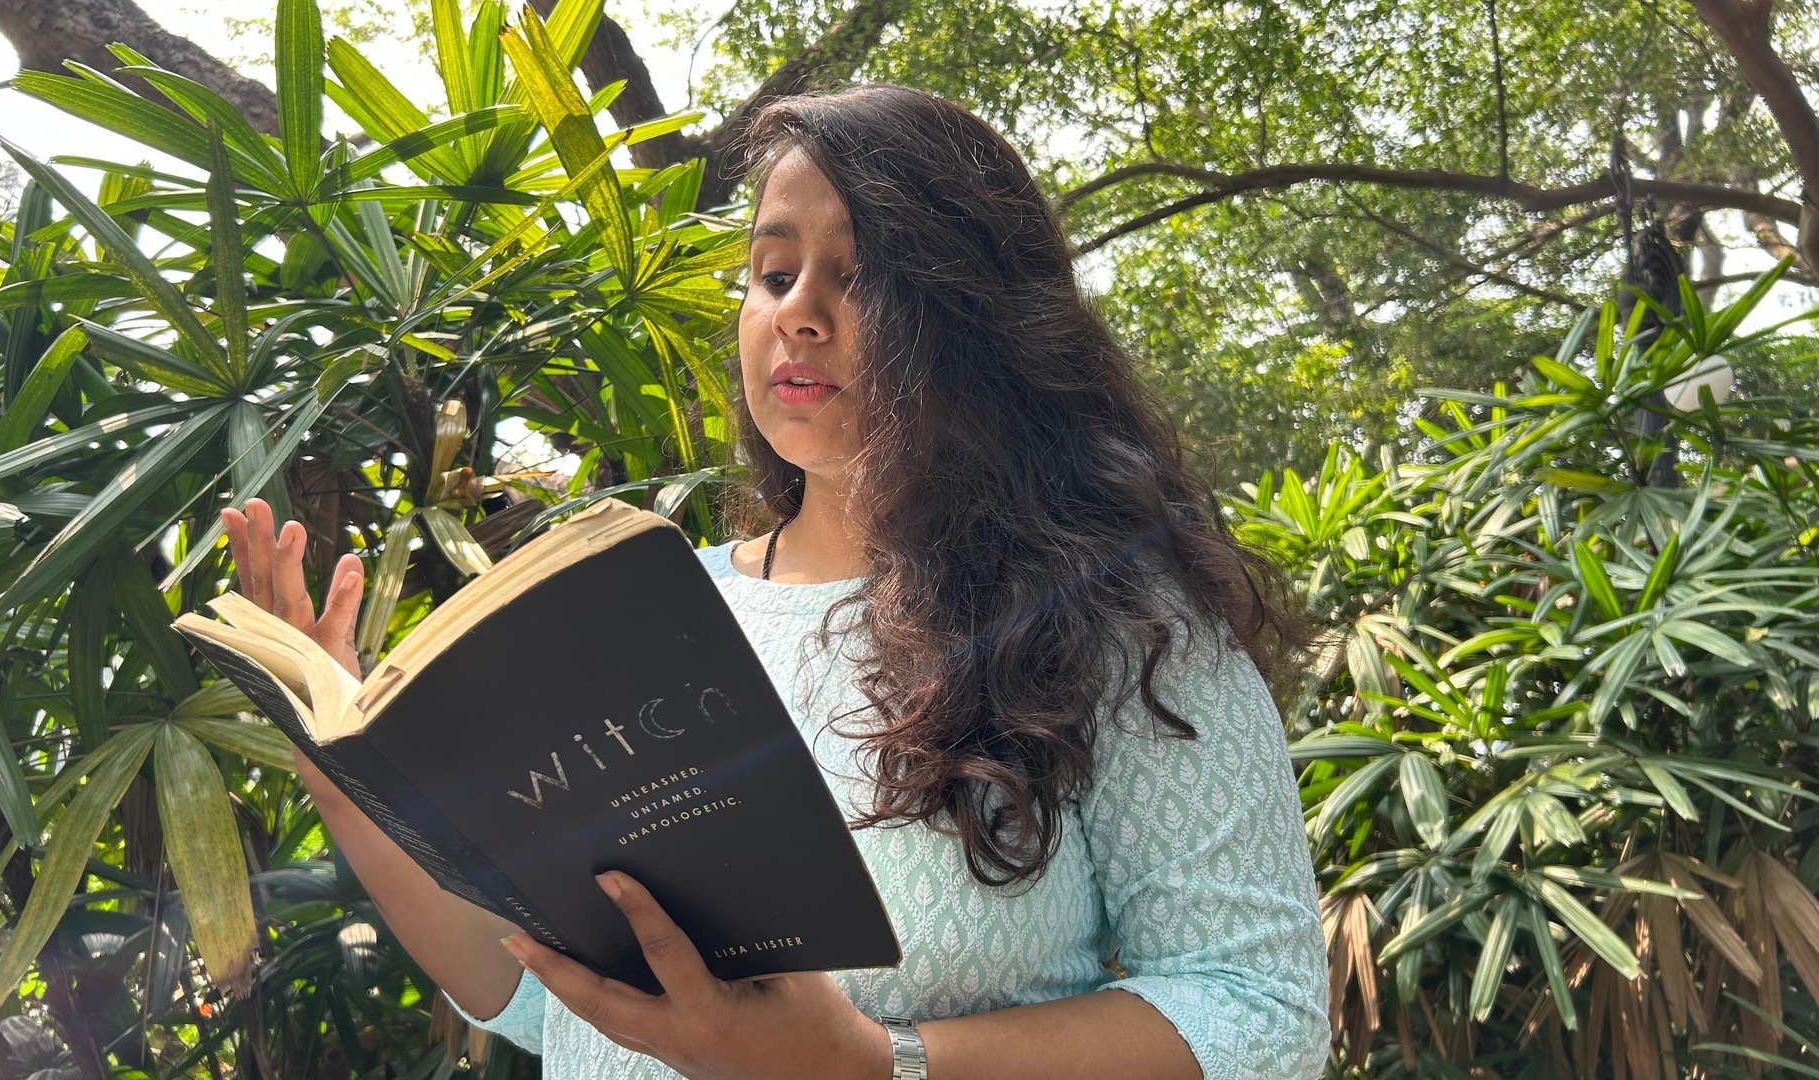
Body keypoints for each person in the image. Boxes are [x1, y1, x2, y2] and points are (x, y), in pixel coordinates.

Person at [220, 83, 1330, 1080]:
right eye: (772, 270)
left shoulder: (1116, 624)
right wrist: (343, 762)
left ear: (983, 318)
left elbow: (1260, 1012)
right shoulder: (643, 614)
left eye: (860, 274)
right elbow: (534, 997)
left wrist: (871, 1067)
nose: (797, 309)